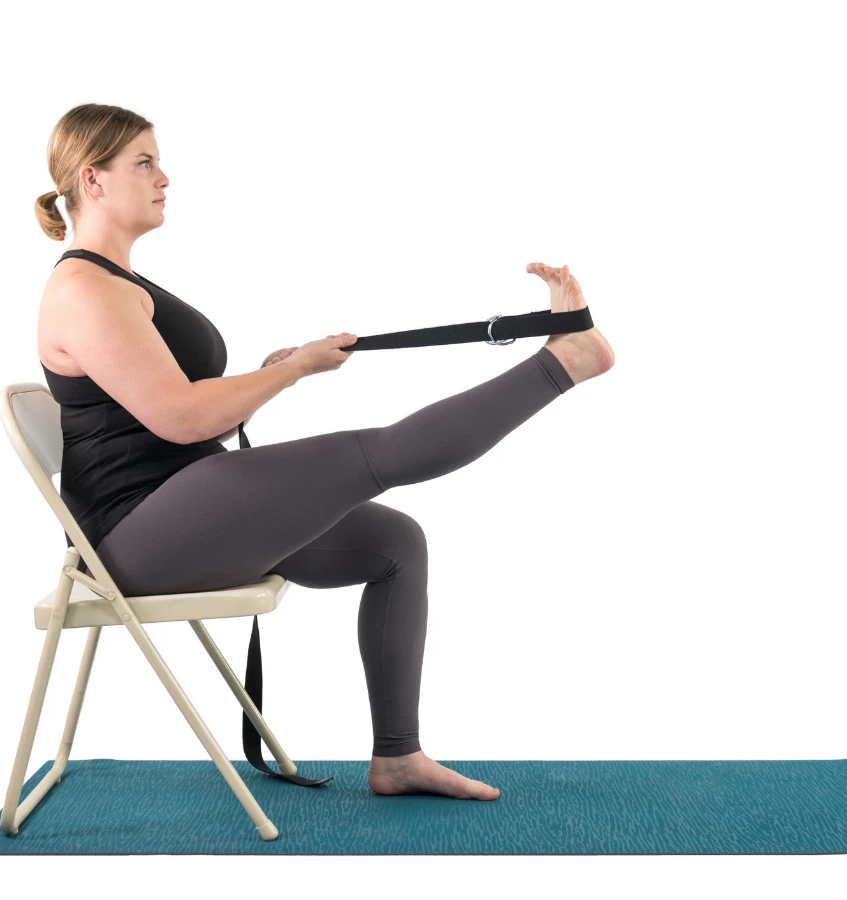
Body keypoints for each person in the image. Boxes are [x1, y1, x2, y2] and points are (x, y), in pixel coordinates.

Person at [33, 103, 614, 802]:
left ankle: (398, 758)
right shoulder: (84, 290)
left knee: (396, 543)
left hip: (178, 504)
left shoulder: (117, 284)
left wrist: (268, 372)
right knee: (372, 454)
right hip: (133, 537)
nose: (165, 177)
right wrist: (295, 369)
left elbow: (170, 407)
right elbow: (182, 419)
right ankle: (566, 361)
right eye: (145, 163)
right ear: (93, 181)